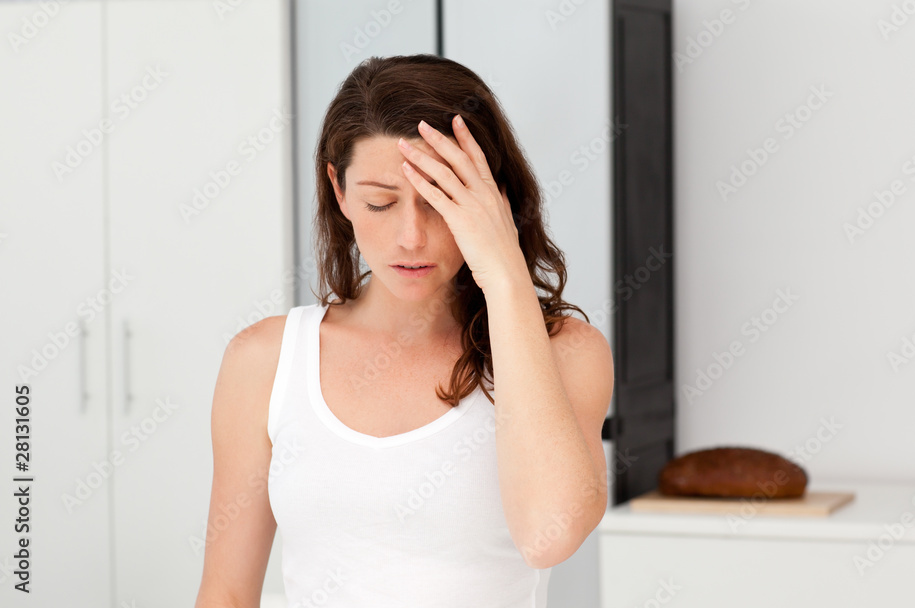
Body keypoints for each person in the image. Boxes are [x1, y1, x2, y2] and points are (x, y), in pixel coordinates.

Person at [194, 53, 614, 608]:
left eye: (440, 202)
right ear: (339, 192)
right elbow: (225, 594)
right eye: (380, 203)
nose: (411, 237)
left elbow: (550, 536)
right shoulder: (264, 360)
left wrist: (505, 278)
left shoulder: (565, 355)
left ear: (491, 198)